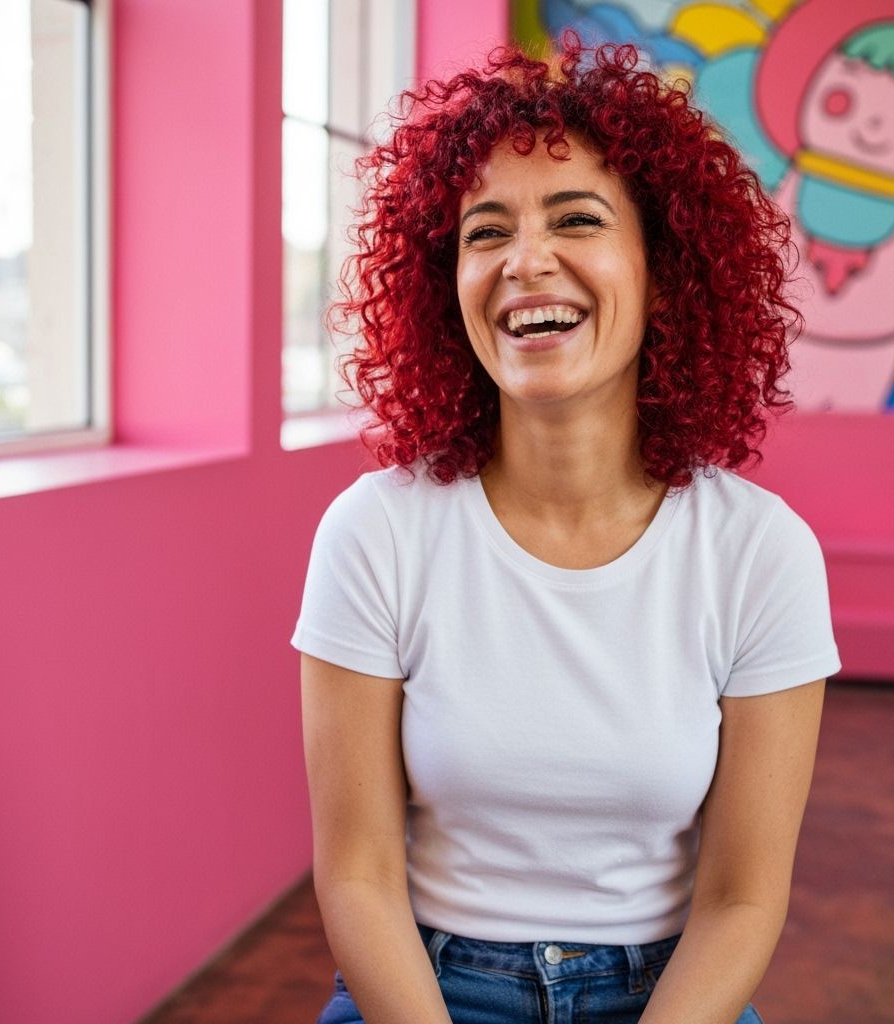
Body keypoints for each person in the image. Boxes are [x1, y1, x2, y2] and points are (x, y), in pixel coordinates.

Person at [291, 32, 841, 1024]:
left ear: (662, 268)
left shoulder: (760, 552)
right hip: (430, 984)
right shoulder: (374, 531)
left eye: (576, 218)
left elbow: (741, 897)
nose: (525, 261)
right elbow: (360, 876)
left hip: (670, 992)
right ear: (443, 284)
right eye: (484, 232)